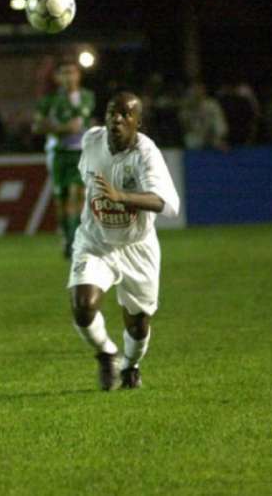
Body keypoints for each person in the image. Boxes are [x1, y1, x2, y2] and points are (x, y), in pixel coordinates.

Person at [68, 92, 179, 390]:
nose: (116, 119)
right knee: (82, 306)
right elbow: (85, 178)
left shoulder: (147, 153)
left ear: (138, 123)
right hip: (96, 241)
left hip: (137, 246)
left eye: (125, 114)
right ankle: (106, 353)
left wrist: (121, 197)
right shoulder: (92, 141)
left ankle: (131, 366)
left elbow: (166, 203)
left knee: (138, 324)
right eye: (111, 113)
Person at [34, 60, 96, 258]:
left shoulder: (87, 96)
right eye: (64, 73)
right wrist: (61, 129)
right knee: (62, 198)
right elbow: (37, 127)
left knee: (77, 194)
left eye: (72, 72)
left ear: (78, 75)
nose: (69, 77)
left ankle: (75, 239)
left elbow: (82, 121)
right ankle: (66, 235)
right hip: (58, 153)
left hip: (80, 152)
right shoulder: (49, 101)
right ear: (58, 77)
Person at [178, 81, 229, 150]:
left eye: (199, 89)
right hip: (195, 137)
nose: (197, 91)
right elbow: (184, 124)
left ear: (204, 90)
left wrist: (218, 137)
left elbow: (220, 123)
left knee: (219, 141)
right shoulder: (187, 105)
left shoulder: (212, 104)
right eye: (194, 90)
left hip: (212, 137)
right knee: (190, 141)